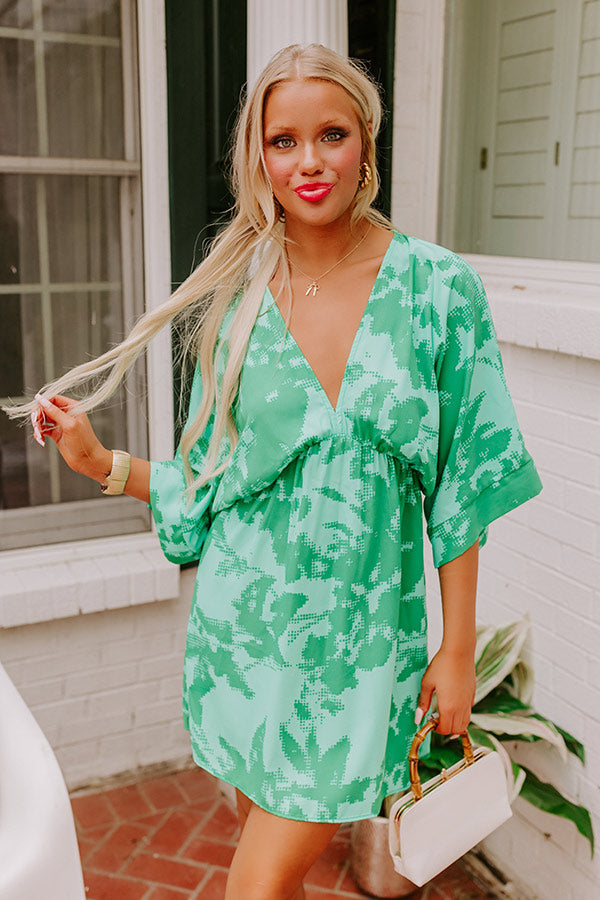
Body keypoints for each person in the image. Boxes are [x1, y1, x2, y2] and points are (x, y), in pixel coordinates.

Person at [6, 44, 542, 900]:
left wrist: (457, 646)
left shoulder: (440, 291)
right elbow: (210, 483)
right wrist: (104, 463)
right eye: (283, 141)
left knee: (254, 885)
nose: (309, 162)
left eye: (331, 134)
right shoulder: (240, 302)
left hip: (364, 649)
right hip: (245, 638)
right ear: (257, 157)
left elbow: (464, 488)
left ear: (365, 141)